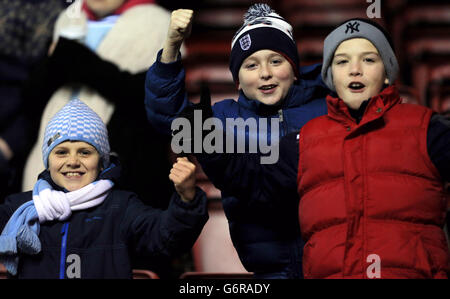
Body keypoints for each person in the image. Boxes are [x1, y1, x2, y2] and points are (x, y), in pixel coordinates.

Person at [194, 18, 450, 278]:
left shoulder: (427, 129)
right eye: (342, 62)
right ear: (330, 76)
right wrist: (207, 141)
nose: (355, 70)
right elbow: (251, 181)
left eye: (369, 60)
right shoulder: (306, 139)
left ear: (387, 72)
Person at [145, 4, 329, 278]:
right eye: (251, 65)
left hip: (330, 266)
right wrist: (172, 45)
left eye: (276, 61)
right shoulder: (225, 119)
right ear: (238, 81)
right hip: (267, 271)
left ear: (294, 69)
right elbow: (169, 118)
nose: (265, 73)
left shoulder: (326, 108)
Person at [0, 99, 208, 279]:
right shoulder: (18, 207)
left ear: (102, 162)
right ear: (48, 160)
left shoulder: (122, 208)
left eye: (84, 152)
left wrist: (186, 198)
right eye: (61, 152)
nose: (72, 161)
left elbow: (167, 238)